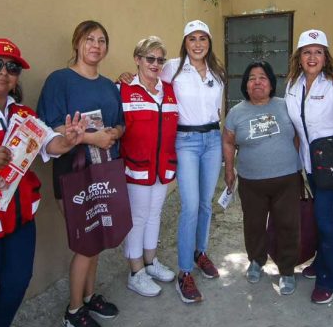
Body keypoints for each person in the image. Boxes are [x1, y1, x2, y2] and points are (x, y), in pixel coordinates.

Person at [0, 38, 86, 327]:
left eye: (12, 67)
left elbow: (49, 145)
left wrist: (68, 140)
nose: (3, 72)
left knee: (17, 283)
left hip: (19, 222)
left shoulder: (23, 114)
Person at [118, 20, 225, 303]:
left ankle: (200, 253)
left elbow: (217, 110)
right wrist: (126, 77)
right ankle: (184, 273)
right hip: (186, 141)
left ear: (209, 42)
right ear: (185, 42)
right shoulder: (172, 68)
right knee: (189, 205)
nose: (198, 44)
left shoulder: (218, 72)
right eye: (192, 38)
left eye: (203, 38)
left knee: (205, 203)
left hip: (212, 139)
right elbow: (144, 74)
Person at [37, 20, 125, 327]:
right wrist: (91, 138)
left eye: (102, 40)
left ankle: (89, 298)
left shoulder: (107, 86)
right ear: (77, 43)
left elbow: (119, 124)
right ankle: (73, 311)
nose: (96, 46)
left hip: (104, 170)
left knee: (98, 239)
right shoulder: (59, 81)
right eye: (90, 39)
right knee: (87, 241)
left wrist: (114, 132)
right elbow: (49, 125)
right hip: (73, 174)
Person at [284, 29, 333, 304]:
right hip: (310, 162)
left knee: (326, 218)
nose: (312, 57)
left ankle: (330, 278)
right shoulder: (293, 83)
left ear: (326, 56)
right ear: (299, 57)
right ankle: (321, 261)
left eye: (318, 52)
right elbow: (294, 126)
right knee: (322, 215)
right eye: (307, 52)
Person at [223, 61, 301, 294]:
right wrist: (229, 170)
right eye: (252, 78)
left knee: (288, 224)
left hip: (286, 179)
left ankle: (287, 270)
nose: (257, 81)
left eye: (263, 77)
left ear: (271, 83)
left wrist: (292, 162)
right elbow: (228, 141)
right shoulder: (236, 112)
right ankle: (256, 260)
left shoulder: (286, 106)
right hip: (251, 181)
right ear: (245, 85)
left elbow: (297, 136)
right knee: (254, 224)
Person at [119, 36, 178, 297]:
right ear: (138, 59)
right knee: (138, 218)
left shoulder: (169, 90)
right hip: (136, 168)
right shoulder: (122, 89)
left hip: (162, 167)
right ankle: (135, 272)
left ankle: (150, 261)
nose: (155, 64)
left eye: (159, 60)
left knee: (155, 215)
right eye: (149, 58)